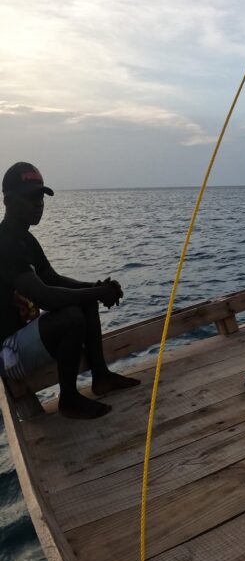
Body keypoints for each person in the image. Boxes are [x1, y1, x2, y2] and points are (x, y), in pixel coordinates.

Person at [0, 163, 140, 419]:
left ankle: (101, 376)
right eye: (31, 196)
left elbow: (53, 278)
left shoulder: (26, 240)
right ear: (8, 200)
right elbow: (46, 297)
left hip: (26, 339)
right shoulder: (4, 243)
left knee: (83, 302)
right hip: (8, 354)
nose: (39, 203)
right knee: (70, 316)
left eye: (41, 196)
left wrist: (96, 288)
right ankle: (69, 399)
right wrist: (97, 293)